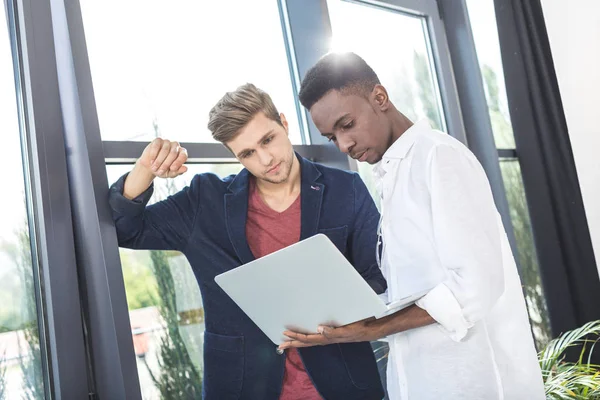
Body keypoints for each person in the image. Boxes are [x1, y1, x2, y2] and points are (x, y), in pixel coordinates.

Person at [279, 52, 546, 400]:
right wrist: (342, 316)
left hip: (473, 384)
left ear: (379, 98)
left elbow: (475, 287)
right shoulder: (392, 175)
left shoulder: (439, 158)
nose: (344, 145)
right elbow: (416, 288)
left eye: (347, 125)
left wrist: (370, 329)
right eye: (332, 137)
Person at [108, 83, 386, 399]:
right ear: (234, 155)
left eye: (268, 139)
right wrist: (146, 169)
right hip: (243, 386)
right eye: (247, 153)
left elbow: (376, 279)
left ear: (283, 122)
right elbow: (123, 229)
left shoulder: (345, 189)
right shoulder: (205, 201)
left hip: (340, 381)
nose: (266, 159)